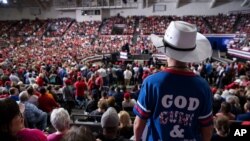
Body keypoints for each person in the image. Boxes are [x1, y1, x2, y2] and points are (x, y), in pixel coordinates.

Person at [133, 21, 214, 141]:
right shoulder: (203, 86)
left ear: (165, 49)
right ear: (191, 53)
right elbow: (207, 128)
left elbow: (138, 124)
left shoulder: (151, 83)